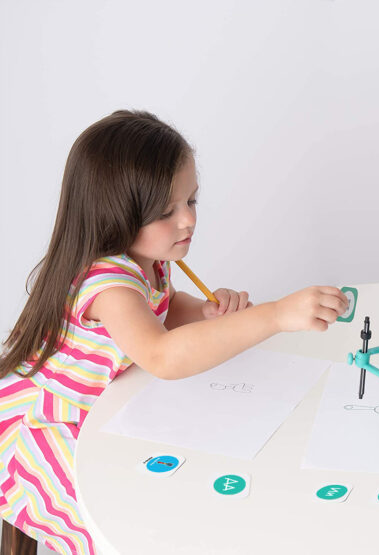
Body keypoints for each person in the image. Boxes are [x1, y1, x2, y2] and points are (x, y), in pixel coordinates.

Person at [0, 109, 349, 554]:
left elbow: (162, 309)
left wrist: (204, 312)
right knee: (119, 526)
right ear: (115, 214)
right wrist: (275, 315)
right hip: (49, 429)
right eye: (167, 211)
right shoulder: (108, 283)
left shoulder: (149, 260)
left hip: (107, 408)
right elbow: (162, 354)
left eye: (192, 201)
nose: (188, 220)